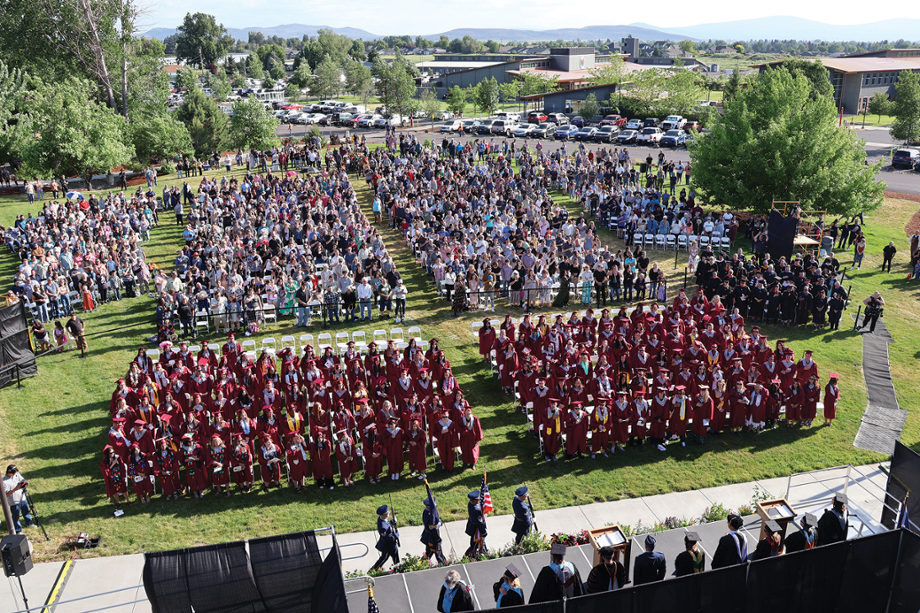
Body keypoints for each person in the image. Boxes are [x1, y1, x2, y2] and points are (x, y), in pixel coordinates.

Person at [3, 465, 33, 534]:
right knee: (15, 516)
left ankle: (29, 522)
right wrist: (15, 489)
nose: (14, 475)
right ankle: (18, 530)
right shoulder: (3, 482)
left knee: (26, 511)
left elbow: (22, 480)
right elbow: (5, 495)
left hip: (22, 498)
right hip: (14, 501)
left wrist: (24, 484)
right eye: (13, 473)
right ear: (8, 472)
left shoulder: (16, 474)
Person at [371, 504, 400, 572]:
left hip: (392, 544)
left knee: (395, 556)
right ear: (384, 515)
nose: (389, 513)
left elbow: (388, 525)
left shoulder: (383, 519)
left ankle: (397, 568)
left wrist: (392, 522)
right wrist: (395, 536)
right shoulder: (382, 527)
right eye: (387, 513)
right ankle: (374, 570)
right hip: (387, 546)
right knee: (384, 558)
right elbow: (386, 538)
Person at [421, 496, 446, 564]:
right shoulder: (427, 514)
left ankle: (442, 562)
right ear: (428, 506)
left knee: (434, 552)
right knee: (432, 552)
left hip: (435, 535)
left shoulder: (433, 510)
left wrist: (440, 522)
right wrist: (438, 539)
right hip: (431, 537)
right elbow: (429, 529)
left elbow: (437, 518)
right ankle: (442, 563)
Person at [465, 490, 488, 559]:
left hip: (472, 526)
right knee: (474, 546)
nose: (479, 500)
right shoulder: (476, 510)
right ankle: (466, 557)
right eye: (478, 499)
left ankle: (485, 552)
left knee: (480, 543)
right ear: (474, 500)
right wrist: (484, 533)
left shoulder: (470, 503)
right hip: (476, 530)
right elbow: (479, 523)